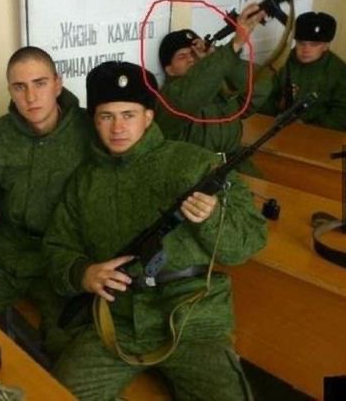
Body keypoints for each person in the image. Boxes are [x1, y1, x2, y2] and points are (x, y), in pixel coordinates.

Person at [44, 60, 267, 400]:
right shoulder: (83, 182)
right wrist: (83, 273)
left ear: (148, 116)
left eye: (129, 115)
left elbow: (246, 244)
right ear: (94, 120)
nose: (118, 127)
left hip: (193, 318)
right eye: (106, 116)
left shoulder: (197, 163)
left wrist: (211, 217)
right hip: (117, 319)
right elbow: (58, 246)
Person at [0, 46, 93, 358]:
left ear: (57, 84)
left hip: (62, 264)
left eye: (40, 83)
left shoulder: (90, 130)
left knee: (68, 347)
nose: (31, 97)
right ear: (10, 91)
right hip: (7, 259)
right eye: (19, 87)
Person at [155, 3, 271, 164]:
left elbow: (261, 86)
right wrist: (232, 48)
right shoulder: (169, 97)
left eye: (194, 53)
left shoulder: (220, 87)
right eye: (182, 56)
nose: (191, 59)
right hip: (196, 170)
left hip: (233, 164)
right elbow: (192, 94)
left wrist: (214, 57)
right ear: (169, 70)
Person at [260, 11, 346, 131]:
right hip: (277, 128)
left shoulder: (340, 71)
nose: (306, 49)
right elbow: (262, 98)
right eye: (301, 43)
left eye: (314, 44)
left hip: (318, 134)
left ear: (326, 46)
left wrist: (310, 127)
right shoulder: (281, 62)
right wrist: (277, 112)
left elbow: (345, 114)